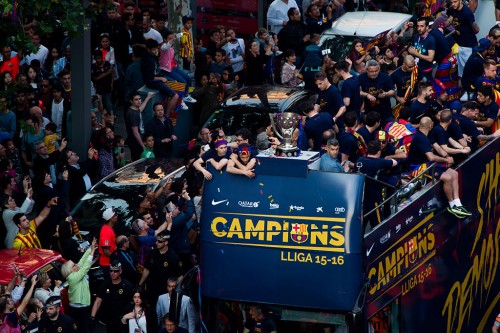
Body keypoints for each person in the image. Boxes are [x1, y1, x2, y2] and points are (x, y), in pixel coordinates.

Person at [407, 117, 472, 218]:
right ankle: (451, 205)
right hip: (417, 167)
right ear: (430, 125)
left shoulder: (428, 134)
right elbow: (431, 157)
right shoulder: (421, 138)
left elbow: (437, 147)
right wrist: (446, 161)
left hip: (427, 163)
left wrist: (447, 156)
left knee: (454, 173)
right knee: (448, 178)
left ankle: (457, 204)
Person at [358, 141, 399, 228]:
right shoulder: (379, 162)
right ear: (379, 152)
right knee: (378, 226)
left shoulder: (359, 161)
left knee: (360, 226)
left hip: (360, 199)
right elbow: (395, 162)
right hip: (374, 199)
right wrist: (387, 158)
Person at [61, 238, 97, 333]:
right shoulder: (73, 277)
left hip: (80, 306)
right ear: (70, 271)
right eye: (73, 265)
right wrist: (92, 251)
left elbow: (81, 261)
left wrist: (90, 248)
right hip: (79, 308)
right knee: (82, 329)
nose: (76, 265)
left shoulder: (74, 274)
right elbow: (85, 267)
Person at [139, 232, 182, 306]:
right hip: (152, 289)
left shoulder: (173, 257)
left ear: (166, 242)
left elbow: (180, 276)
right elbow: (147, 270)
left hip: (165, 290)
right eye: (156, 240)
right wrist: (140, 284)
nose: (157, 243)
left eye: (160, 241)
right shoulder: (152, 253)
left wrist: (174, 289)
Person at [90, 261, 135, 333]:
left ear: (120, 271)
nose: (113, 273)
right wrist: (92, 317)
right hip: (110, 319)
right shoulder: (104, 285)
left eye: (115, 271)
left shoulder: (127, 285)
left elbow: (133, 302)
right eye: (111, 271)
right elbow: (98, 301)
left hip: (123, 318)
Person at [445, 0, 479, 79]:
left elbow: (476, 30)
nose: (453, 4)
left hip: (468, 46)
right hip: (459, 44)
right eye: (451, 2)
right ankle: (462, 89)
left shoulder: (467, 13)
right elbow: (449, 20)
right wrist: (441, 26)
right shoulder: (454, 9)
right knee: (460, 71)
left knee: (468, 70)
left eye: (455, 2)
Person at [358, 60, 396, 125]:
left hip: (385, 111)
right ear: (367, 70)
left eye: (376, 71)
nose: (374, 73)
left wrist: (386, 94)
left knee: (390, 130)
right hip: (370, 112)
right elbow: (358, 92)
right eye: (372, 72)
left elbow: (392, 91)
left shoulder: (385, 77)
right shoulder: (361, 78)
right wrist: (367, 95)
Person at [125, 91, 155, 161]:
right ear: (131, 101)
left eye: (139, 99)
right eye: (136, 99)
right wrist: (143, 146)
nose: (139, 101)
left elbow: (140, 109)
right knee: (139, 163)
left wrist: (147, 98)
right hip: (136, 143)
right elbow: (135, 132)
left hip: (136, 141)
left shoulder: (134, 109)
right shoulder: (132, 114)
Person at [408, 16, 436, 80]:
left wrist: (415, 53)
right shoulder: (416, 36)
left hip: (426, 70)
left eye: (422, 26)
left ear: (427, 27)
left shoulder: (430, 40)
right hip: (415, 68)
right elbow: (414, 50)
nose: (419, 28)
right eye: (418, 26)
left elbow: (430, 58)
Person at [99, 207, 118, 273]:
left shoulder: (107, 228)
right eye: (115, 215)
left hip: (109, 262)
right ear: (111, 219)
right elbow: (106, 250)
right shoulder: (107, 231)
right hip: (108, 263)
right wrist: (115, 259)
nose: (117, 216)